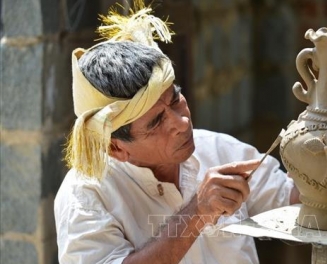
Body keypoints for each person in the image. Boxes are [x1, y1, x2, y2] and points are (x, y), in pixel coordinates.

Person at [54, 3, 300, 264]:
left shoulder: (219, 150)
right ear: (116, 148)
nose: (182, 122)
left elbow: (293, 199)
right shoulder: (85, 196)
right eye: (157, 122)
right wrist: (196, 213)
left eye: (175, 99)